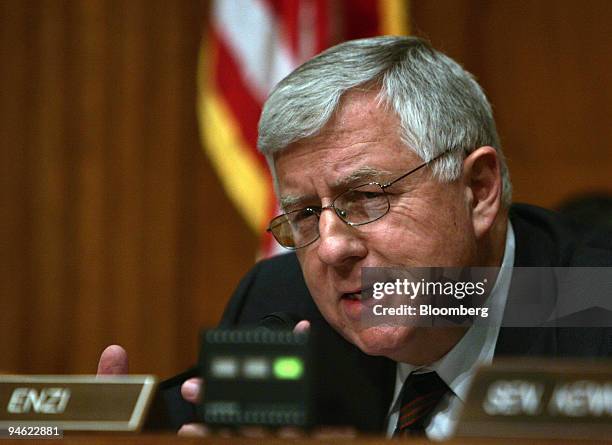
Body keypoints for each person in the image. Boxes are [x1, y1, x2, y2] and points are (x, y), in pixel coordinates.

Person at [98, 36, 612, 438]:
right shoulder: (285, 305)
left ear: (478, 190)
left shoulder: (592, 308)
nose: (331, 247)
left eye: (365, 198)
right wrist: (119, 429)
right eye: (303, 213)